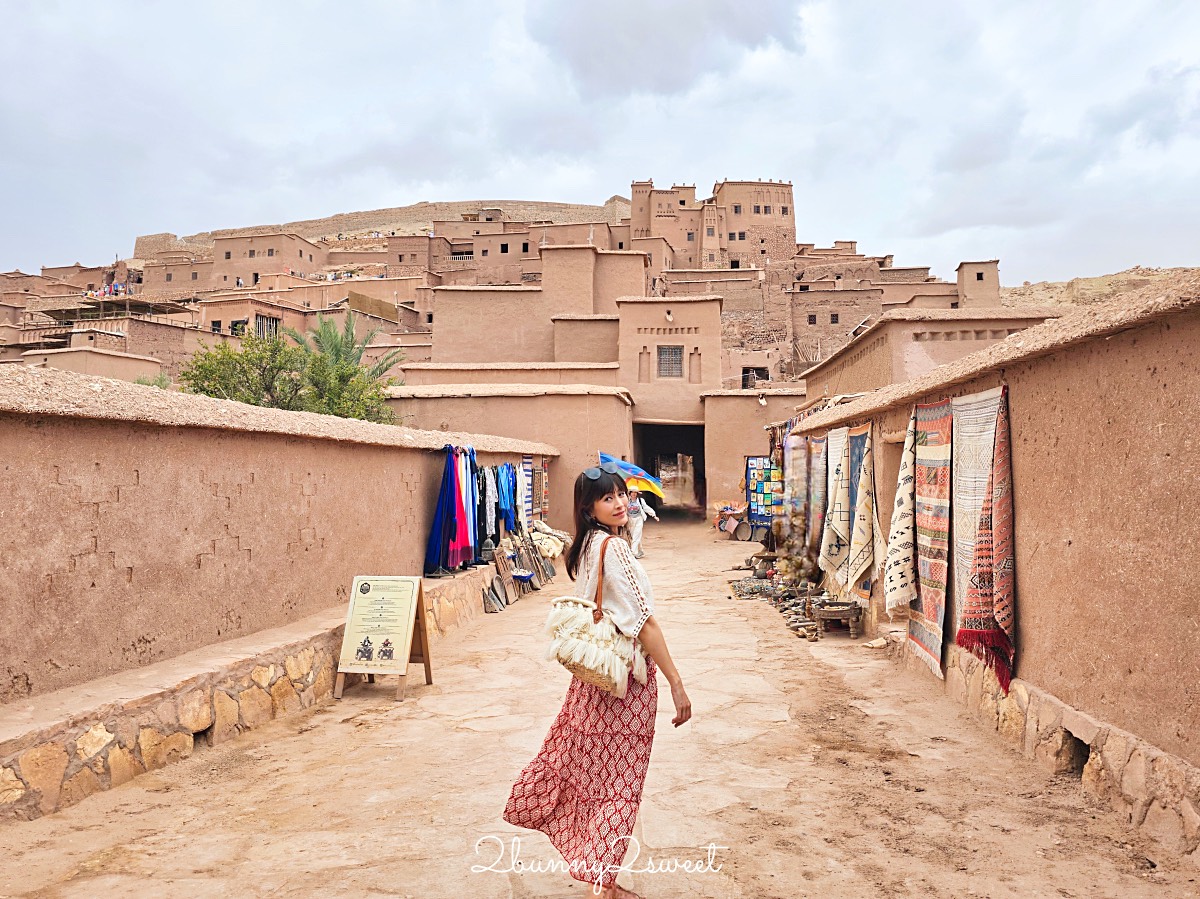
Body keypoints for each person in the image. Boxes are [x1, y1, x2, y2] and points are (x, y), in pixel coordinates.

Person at [503, 462, 691, 899]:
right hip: (625, 682)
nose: (621, 502)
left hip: (593, 680)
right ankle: (604, 886)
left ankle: (597, 873)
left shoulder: (588, 544)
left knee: (589, 772)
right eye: (608, 498)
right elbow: (645, 625)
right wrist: (677, 684)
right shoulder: (615, 550)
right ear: (589, 508)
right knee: (620, 783)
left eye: (622, 494)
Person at [625, 488, 659, 559]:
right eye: (632, 492)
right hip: (630, 520)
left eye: (635, 493)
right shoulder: (626, 501)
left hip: (639, 519)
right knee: (634, 536)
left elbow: (646, 508)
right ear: (630, 493)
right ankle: (640, 551)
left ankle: (633, 553)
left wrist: (654, 515)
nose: (634, 494)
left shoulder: (640, 501)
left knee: (636, 535)